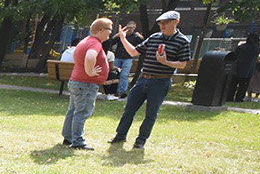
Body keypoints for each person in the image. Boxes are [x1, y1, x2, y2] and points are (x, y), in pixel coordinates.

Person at [108, 9, 191, 149]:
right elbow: (134, 52)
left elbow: (183, 64)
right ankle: (120, 135)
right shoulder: (154, 37)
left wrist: (166, 62)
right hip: (143, 79)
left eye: (166, 23)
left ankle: (141, 140)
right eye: (161, 23)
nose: (162, 26)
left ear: (176, 22)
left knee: (151, 113)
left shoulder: (182, 41)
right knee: (129, 109)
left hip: (161, 82)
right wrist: (123, 38)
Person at [61, 17, 112, 150]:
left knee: (73, 110)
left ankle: (68, 137)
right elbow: (90, 56)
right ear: (101, 30)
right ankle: (78, 141)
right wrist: (90, 72)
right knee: (82, 112)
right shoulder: (95, 43)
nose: (110, 33)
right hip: (85, 84)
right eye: (109, 30)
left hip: (76, 81)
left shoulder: (84, 41)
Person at [107, 20, 144, 100]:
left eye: (131, 28)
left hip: (128, 58)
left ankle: (122, 92)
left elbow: (142, 44)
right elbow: (111, 42)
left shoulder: (136, 37)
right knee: (115, 74)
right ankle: (113, 91)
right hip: (118, 57)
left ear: (135, 28)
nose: (129, 29)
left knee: (124, 75)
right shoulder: (122, 35)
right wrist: (118, 35)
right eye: (128, 27)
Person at [228, 32, 260, 103]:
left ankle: (229, 97)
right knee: (243, 86)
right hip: (249, 69)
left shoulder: (241, 48)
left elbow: (234, 55)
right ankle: (239, 98)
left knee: (233, 84)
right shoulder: (257, 49)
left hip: (238, 68)